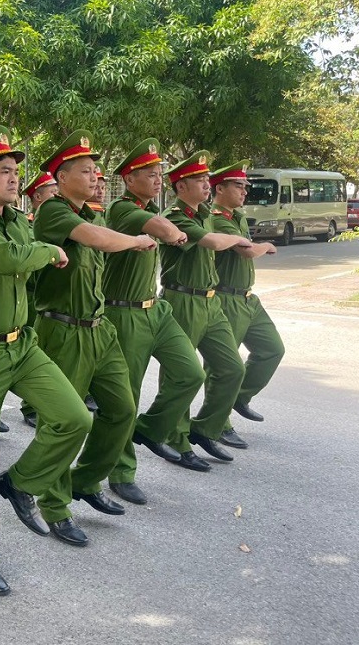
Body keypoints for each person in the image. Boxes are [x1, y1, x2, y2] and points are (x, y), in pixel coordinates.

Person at [0, 126, 91, 595]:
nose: (13, 178)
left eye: (15, 171)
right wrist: (49, 250)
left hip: (21, 344)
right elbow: (9, 261)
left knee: (72, 418)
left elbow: (22, 267)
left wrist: (39, 254)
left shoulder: (18, 220)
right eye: (3, 171)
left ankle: (22, 482)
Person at [32, 131, 152, 546]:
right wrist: (136, 240)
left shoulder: (93, 212)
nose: (95, 175)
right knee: (64, 421)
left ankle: (85, 480)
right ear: (61, 177)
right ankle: (54, 505)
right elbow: (96, 239)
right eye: (85, 170)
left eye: (95, 169)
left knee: (122, 409)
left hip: (100, 329)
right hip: (63, 330)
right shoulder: (53, 212)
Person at [101, 140, 205, 505]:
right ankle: (121, 472)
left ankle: (148, 430)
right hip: (124, 313)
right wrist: (171, 232)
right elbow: (158, 226)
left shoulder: (145, 206)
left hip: (156, 309)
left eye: (161, 173)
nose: (158, 179)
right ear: (130, 179)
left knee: (191, 373)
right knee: (125, 397)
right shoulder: (121, 209)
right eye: (151, 174)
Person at [160, 152, 254, 464]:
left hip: (210, 299)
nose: (206, 184)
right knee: (182, 373)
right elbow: (212, 243)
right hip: (183, 298)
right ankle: (176, 437)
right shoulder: (174, 216)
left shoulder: (204, 214)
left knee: (231, 368)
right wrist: (242, 243)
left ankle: (206, 428)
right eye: (199, 180)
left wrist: (238, 241)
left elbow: (222, 238)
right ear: (181, 186)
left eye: (206, 179)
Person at [208, 161, 282, 447]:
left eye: (245, 186)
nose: (244, 191)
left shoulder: (236, 216)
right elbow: (247, 252)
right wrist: (266, 246)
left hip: (248, 297)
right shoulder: (217, 218)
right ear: (220, 188)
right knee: (223, 366)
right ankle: (218, 423)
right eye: (238, 186)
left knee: (272, 349)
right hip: (226, 297)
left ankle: (239, 397)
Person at [17, 171, 59, 428]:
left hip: (42, 291)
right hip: (28, 291)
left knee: (36, 347)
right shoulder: (27, 223)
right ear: (37, 197)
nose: (57, 197)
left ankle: (35, 402)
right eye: (52, 193)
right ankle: (28, 405)